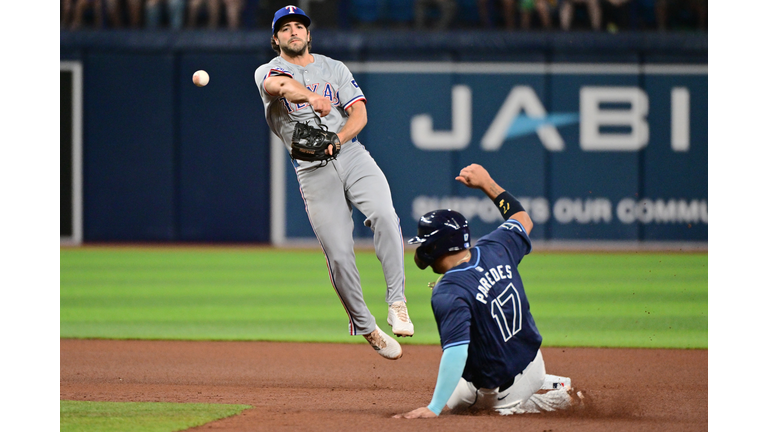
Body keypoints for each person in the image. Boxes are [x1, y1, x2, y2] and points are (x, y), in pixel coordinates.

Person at [254, 6, 414, 360]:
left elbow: (359, 113)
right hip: (312, 170)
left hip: (351, 154)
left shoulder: (334, 68)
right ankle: (367, 327)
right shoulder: (267, 70)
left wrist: (339, 139)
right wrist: (310, 96)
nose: (293, 31)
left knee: (385, 215)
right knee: (340, 255)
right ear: (276, 39)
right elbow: (280, 86)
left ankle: (397, 303)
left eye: (299, 26)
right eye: (285, 28)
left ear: (309, 34)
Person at [394, 164, 587, 418]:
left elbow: (456, 352)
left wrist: (433, 408)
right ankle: (547, 382)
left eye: (424, 243)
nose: (421, 250)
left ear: (436, 247)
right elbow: (523, 219)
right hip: (535, 363)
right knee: (457, 392)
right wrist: (488, 184)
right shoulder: (496, 245)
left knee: (460, 405)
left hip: (500, 391)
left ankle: (552, 400)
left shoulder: (448, 291)